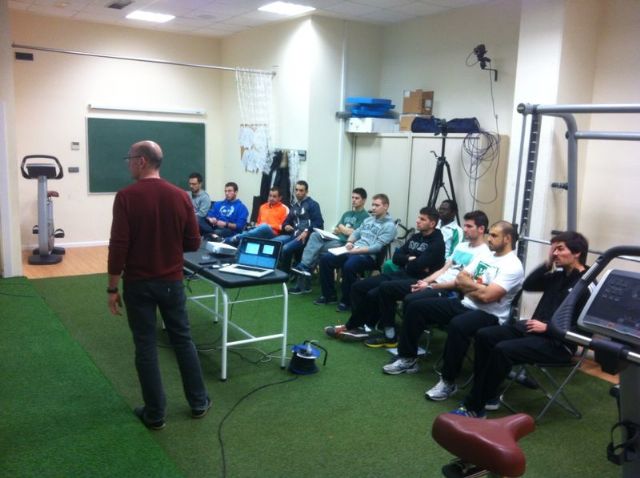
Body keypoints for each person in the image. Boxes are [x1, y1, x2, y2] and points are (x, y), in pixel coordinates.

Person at [107, 140, 211, 431]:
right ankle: (199, 402)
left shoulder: (126, 197)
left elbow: (119, 246)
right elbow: (193, 243)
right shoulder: (180, 197)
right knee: (183, 340)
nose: (127, 162)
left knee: (146, 347)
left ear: (142, 161)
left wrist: (112, 288)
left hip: (138, 285)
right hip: (171, 283)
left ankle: (155, 414)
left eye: (129, 158)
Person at [450, 231, 590, 418]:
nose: (554, 253)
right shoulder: (558, 275)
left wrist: (550, 328)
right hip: (533, 330)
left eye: (560, 249)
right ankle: (489, 395)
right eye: (553, 249)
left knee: (503, 350)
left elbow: (587, 330)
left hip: (559, 343)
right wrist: (547, 264)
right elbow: (530, 285)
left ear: (577, 252)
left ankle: (474, 406)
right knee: (485, 336)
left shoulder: (588, 285)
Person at [384, 221, 523, 402]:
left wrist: (469, 287)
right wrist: (475, 288)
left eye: (494, 235)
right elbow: (460, 278)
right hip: (466, 305)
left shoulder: (513, 265)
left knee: (459, 325)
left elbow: (488, 297)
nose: (489, 238)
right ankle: (408, 357)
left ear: (508, 238)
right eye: (490, 234)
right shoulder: (486, 256)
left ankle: (448, 381)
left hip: (490, 316)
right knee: (417, 307)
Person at [324, 207, 445, 347]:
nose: (417, 221)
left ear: (432, 223)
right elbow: (395, 258)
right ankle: (359, 326)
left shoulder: (437, 243)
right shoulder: (416, 237)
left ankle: (387, 334)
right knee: (358, 287)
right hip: (402, 274)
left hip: (420, 281)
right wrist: (409, 259)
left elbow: (418, 265)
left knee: (378, 291)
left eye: (422, 219)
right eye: (418, 217)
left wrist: (409, 260)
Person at [315, 193, 396, 312]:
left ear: (386, 206)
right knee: (326, 259)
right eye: (372, 205)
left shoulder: (389, 226)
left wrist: (357, 251)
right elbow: (356, 233)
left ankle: (347, 301)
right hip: (354, 250)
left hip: (369, 256)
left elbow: (377, 247)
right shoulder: (369, 219)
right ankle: (329, 295)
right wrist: (349, 242)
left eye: (377, 205)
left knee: (349, 265)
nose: (373, 208)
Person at [289, 188, 369, 294]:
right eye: (352, 197)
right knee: (314, 235)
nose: (353, 200)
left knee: (314, 250)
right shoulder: (347, 213)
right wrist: (343, 229)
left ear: (363, 200)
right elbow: (336, 229)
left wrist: (342, 228)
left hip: (347, 244)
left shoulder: (365, 217)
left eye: (357, 198)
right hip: (337, 239)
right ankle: (304, 269)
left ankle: (303, 280)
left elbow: (354, 233)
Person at [404, 210, 490, 307]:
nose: (465, 229)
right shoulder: (461, 246)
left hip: (451, 290)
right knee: (408, 294)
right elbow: (443, 269)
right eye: (464, 226)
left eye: (469, 226)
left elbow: (462, 283)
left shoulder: (484, 253)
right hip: (437, 282)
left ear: (481, 229)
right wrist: (425, 281)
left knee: (411, 300)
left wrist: (431, 286)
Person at [274, 180, 324, 272]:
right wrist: (286, 226)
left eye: (301, 190)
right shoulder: (295, 206)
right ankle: (282, 269)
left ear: (306, 191)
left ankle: (285, 274)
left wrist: (307, 231)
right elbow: (286, 221)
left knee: (286, 248)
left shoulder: (313, 204)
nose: (298, 193)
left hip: (307, 237)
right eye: (296, 190)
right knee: (276, 243)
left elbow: (319, 223)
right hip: (295, 235)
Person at [225, 187, 289, 244]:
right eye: (270, 196)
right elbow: (258, 222)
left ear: (280, 198)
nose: (271, 198)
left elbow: (283, 226)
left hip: (273, 233)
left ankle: (235, 237)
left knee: (264, 226)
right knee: (249, 229)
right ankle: (232, 244)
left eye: (274, 196)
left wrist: (269, 226)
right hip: (260, 230)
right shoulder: (263, 207)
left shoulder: (284, 209)